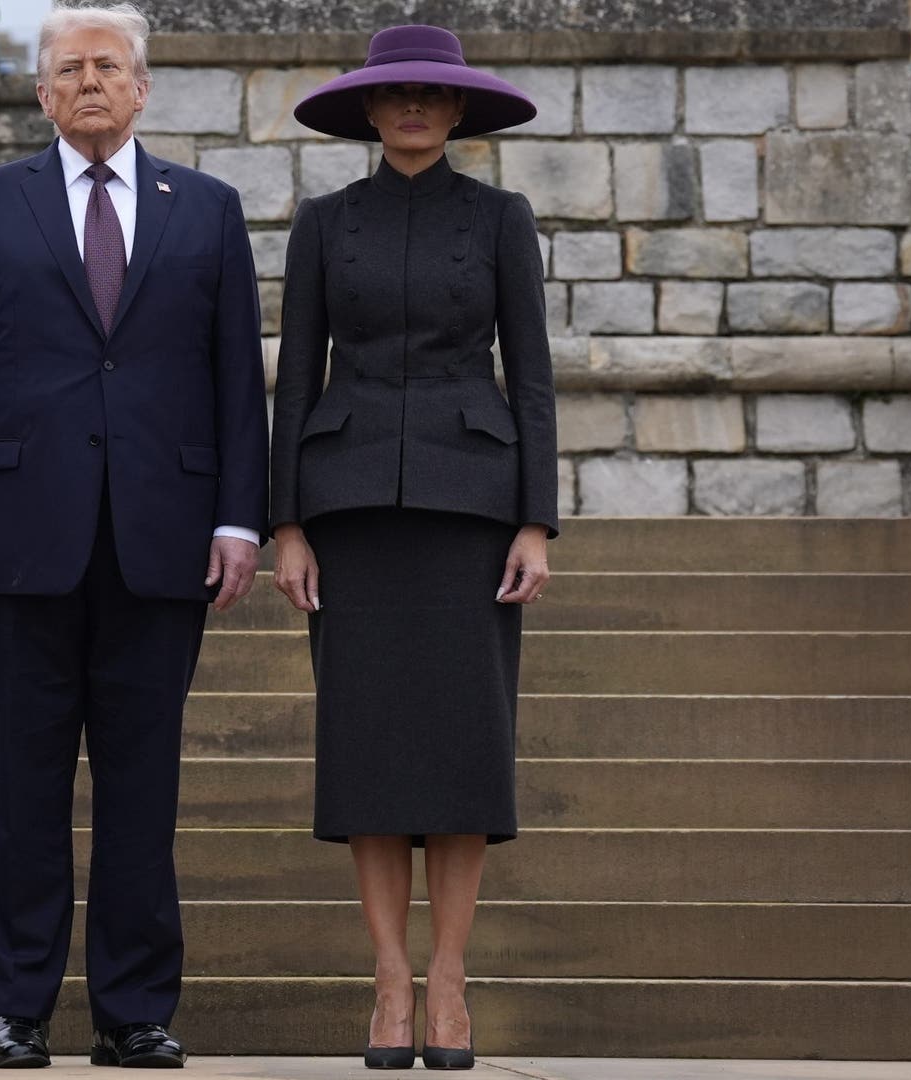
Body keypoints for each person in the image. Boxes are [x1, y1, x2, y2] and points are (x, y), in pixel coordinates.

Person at [0, 3, 267, 1069]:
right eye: (69, 69)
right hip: (21, 540)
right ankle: (19, 1009)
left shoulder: (208, 209)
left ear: (143, 87)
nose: (90, 83)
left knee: (143, 791)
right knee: (23, 788)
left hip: (163, 539)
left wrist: (240, 516)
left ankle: (134, 1011)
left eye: (109, 66)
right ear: (41, 94)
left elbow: (235, 376)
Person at [269, 24, 559, 1072]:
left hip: (471, 510)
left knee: (463, 751)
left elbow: (532, 375)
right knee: (370, 752)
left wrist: (535, 520)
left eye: (433, 95)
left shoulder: (499, 219)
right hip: (348, 511)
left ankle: (449, 980)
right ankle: (389, 980)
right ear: (368, 108)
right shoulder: (324, 223)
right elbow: (296, 376)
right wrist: (287, 524)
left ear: (459, 109)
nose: (413, 109)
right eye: (395, 94)